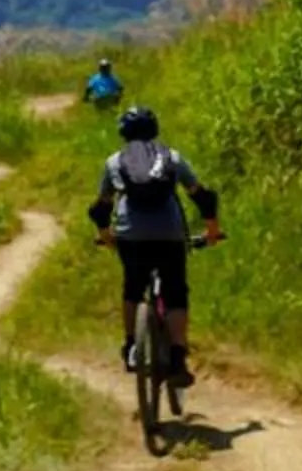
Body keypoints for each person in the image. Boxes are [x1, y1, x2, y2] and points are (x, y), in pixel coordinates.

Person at [87, 106, 222, 388]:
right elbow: (202, 197)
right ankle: (177, 357)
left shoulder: (114, 162)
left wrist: (106, 235)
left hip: (131, 236)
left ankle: (131, 346)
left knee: (133, 288)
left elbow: (101, 208)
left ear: (124, 133)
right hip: (170, 235)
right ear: (154, 129)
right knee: (175, 292)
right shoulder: (172, 158)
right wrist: (212, 230)